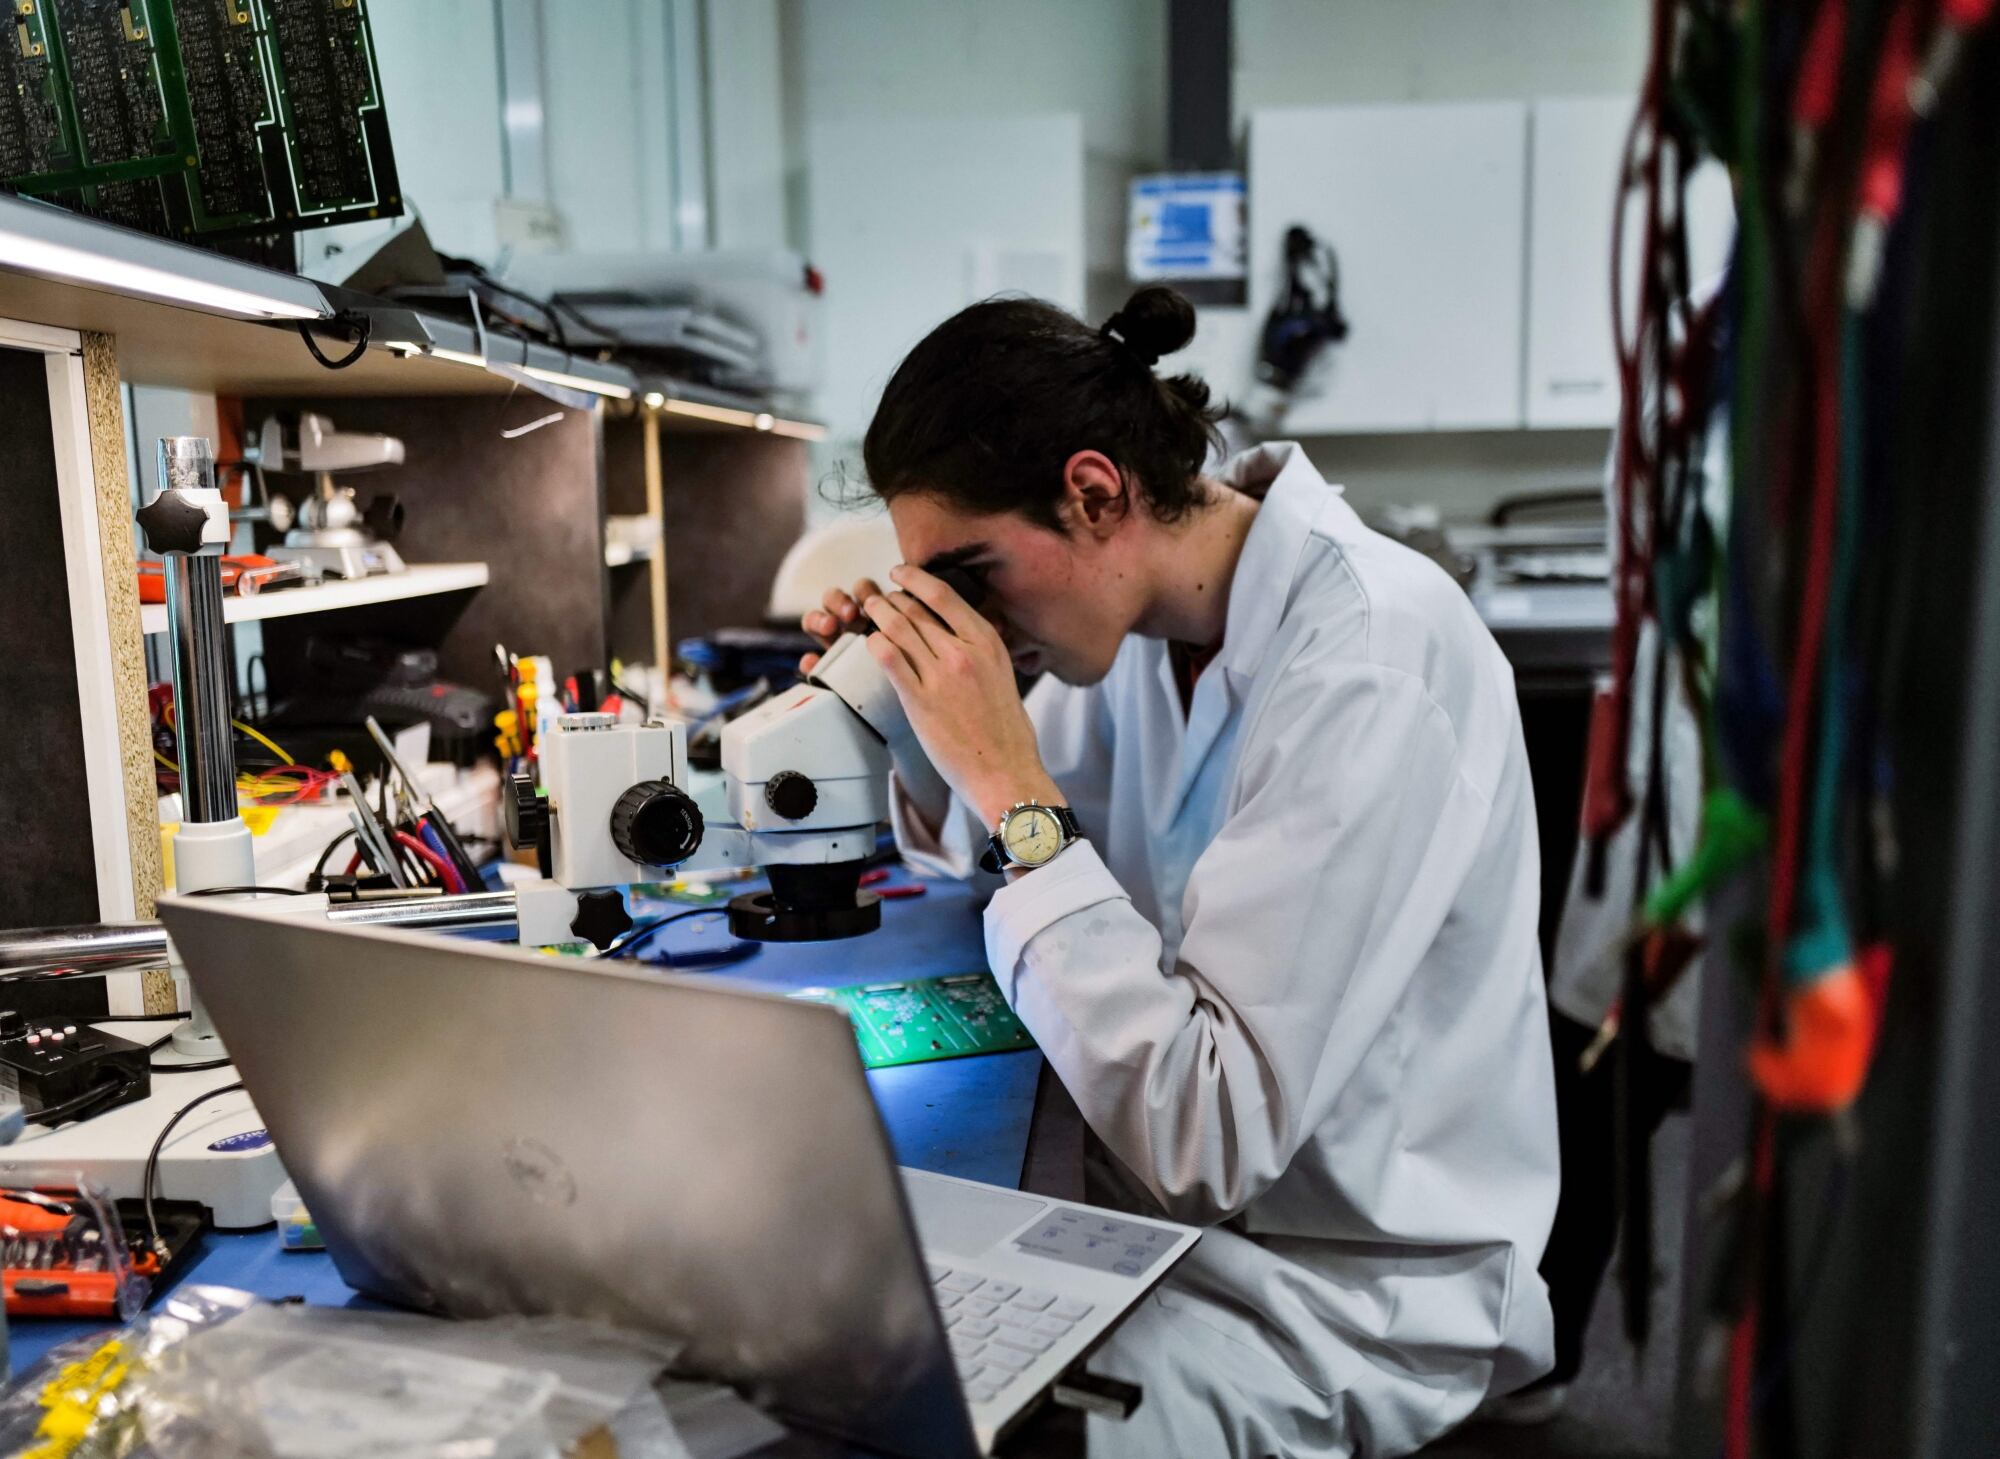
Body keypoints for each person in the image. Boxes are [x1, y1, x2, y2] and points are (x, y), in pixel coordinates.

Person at [801, 286, 1560, 1458]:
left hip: (1346, 1287)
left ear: (1094, 493)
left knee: (941, 1423)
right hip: (1180, 1222)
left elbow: (1207, 1133)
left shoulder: (1367, 662)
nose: (974, 616)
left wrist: (1012, 785)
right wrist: (910, 704)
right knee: (830, 1316)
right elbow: (1007, 859)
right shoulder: (1151, 642)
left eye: (972, 573)